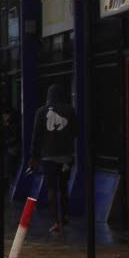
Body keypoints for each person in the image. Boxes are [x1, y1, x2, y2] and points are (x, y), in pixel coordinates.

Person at [30, 83, 76, 233]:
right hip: (66, 157)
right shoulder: (70, 110)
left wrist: (34, 156)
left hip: (47, 157)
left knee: (51, 189)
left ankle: (56, 222)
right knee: (63, 188)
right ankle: (64, 217)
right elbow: (75, 132)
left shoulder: (41, 111)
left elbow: (36, 136)